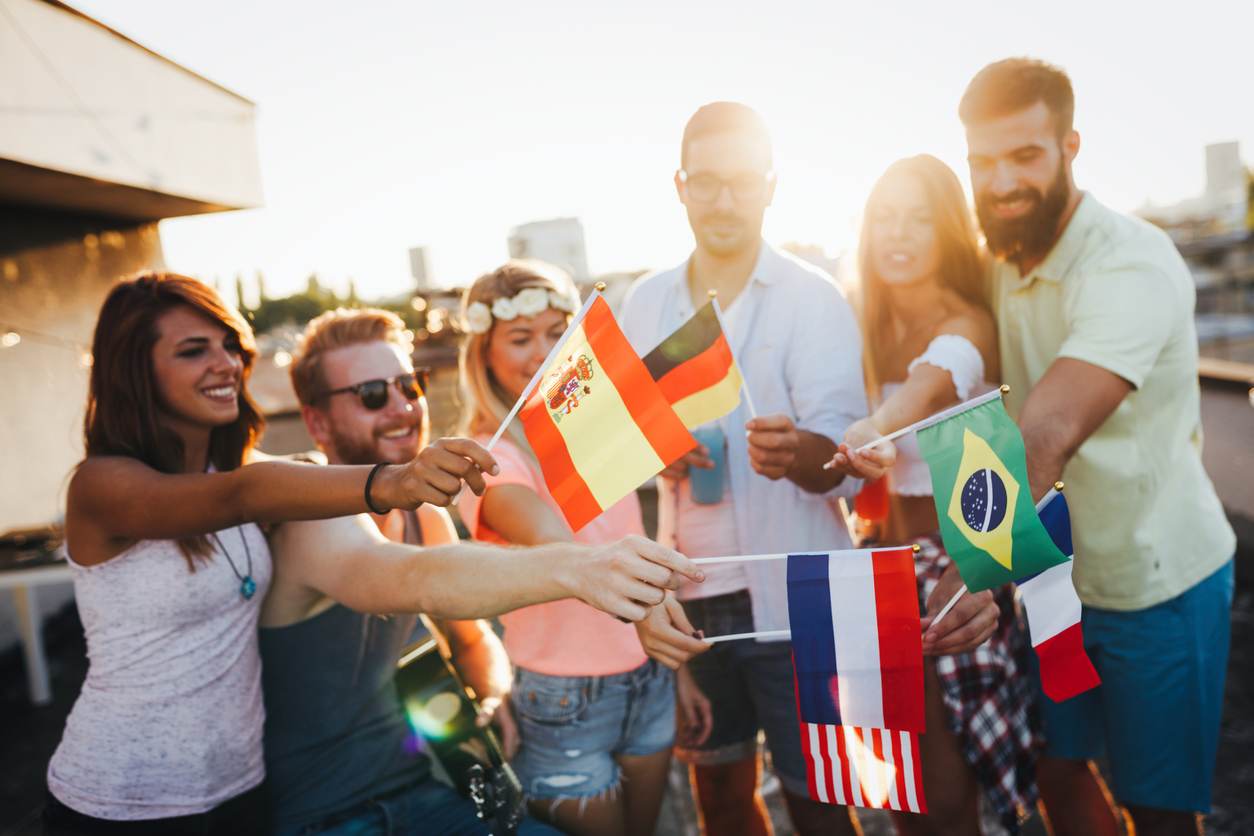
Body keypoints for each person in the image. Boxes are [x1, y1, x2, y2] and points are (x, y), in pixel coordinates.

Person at [42, 274, 699, 836]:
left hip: (253, 789)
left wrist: (491, 705)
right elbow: (409, 576)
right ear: (317, 419)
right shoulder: (111, 486)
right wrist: (580, 565)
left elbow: (465, 634)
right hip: (131, 796)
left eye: (409, 385)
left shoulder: (268, 480)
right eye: (371, 394)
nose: (227, 364)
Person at [619, 102, 986, 836]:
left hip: (808, 589)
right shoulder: (645, 302)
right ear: (679, 186)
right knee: (719, 801)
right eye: (708, 182)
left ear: (771, 187)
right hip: (694, 595)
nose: (725, 199)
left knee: (825, 802)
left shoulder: (814, 299)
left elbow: (848, 468)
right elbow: (624, 450)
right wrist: (655, 450)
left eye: (743, 181)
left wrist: (799, 456)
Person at [949, 58, 1234, 836]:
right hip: (1054, 579)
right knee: (1054, 773)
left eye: (1026, 156)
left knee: (1160, 809)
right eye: (982, 161)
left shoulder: (1130, 264)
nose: (1001, 181)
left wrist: (977, 567)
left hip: (1156, 585)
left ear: (1071, 146)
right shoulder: (998, 256)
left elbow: (1047, 432)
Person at [826, 154, 1038, 835]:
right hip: (870, 572)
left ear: (948, 230)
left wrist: (874, 427)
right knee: (891, 786)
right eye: (885, 216)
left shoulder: (965, 323)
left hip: (952, 570)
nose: (900, 233)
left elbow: (927, 388)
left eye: (920, 218)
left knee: (946, 796)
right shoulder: (854, 323)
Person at [455, 261, 680, 836]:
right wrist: (649, 605)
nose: (543, 350)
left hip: (648, 669)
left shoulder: (602, 428)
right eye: (520, 338)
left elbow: (630, 540)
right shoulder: (487, 459)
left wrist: (681, 663)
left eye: (557, 332)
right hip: (565, 697)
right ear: (482, 352)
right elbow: (563, 552)